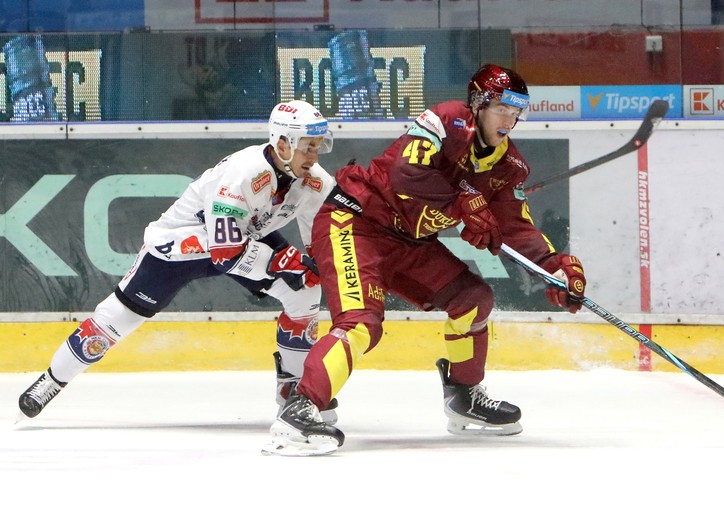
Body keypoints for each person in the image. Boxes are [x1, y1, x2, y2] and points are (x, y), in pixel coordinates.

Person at [263, 64, 587, 456]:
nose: (511, 119)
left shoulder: (508, 166)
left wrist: (553, 266)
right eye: (503, 108)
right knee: (362, 324)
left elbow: (515, 226)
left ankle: (464, 398)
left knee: (473, 299)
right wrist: (461, 202)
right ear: (479, 104)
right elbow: (406, 173)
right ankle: (300, 410)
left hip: (408, 242)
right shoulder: (447, 120)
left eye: (518, 111)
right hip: (355, 222)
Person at [18, 100, 339, 426]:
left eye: (317, 147)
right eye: (306, 147)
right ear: (282, 143)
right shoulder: (241, 174)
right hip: (181, 243)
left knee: (304, 291)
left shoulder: (313, 179)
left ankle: (295, 393)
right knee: (118, 317)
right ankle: (52, 380)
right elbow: (225, 253)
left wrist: (319, 267)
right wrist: (281, 261)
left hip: (243, 237)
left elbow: (321, 237)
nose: (313, 157)